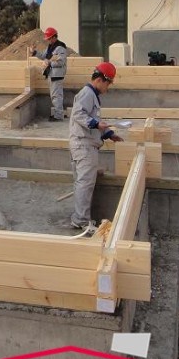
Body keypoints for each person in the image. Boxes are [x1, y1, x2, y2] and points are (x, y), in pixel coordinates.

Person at [68, 61, 122, 230]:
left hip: (83, 144)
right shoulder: (87, 94)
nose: (108, 88)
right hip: (83, 146)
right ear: (101, 80)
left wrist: (109, 134)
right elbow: (78, 114)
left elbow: (93, 121)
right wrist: (96, 125)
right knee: (85, 183)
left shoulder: (92, 95)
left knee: (82, 182)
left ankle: (79, 217)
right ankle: (81, 220)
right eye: (108, 83)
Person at [30, 27, 68, 121]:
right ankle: (57, 115)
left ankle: (58, 116)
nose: (48, 41)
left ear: (54, 37)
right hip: (52, 74)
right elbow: (43, 56)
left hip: (57, 75)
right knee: (54, 96)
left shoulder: (60, 48)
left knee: (56, 96)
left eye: (49, 39)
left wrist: (49, 63)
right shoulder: (51, 47)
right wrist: (35, 52)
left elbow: (61, 62)